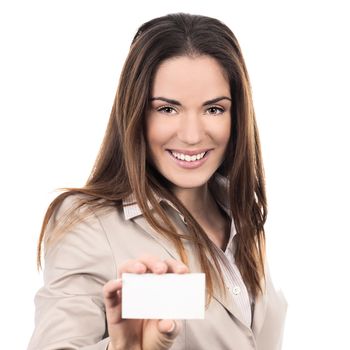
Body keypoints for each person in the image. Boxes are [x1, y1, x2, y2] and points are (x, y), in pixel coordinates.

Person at [28, 12, 288, 350]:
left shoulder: (243, 216)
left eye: (214, 109)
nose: (193, 136)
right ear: (135, 112)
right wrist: (122, 349)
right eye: (167, 109)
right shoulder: (90, 223)